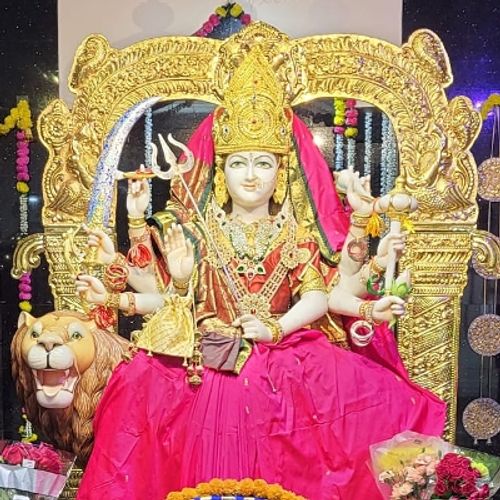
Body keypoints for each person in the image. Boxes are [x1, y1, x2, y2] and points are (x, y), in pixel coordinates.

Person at [75, 47, 445, 499]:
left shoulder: (296, 233)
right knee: (140, 389)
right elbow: (160, 296)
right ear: (221, 172)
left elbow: (316, 296)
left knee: (373, 397)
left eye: (263, 163)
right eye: (238, 163)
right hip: (206, 358)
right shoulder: (195, 231)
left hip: (283, 357)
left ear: (282, 172)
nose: (250, 176)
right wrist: (169, 262)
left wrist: (275, 328)